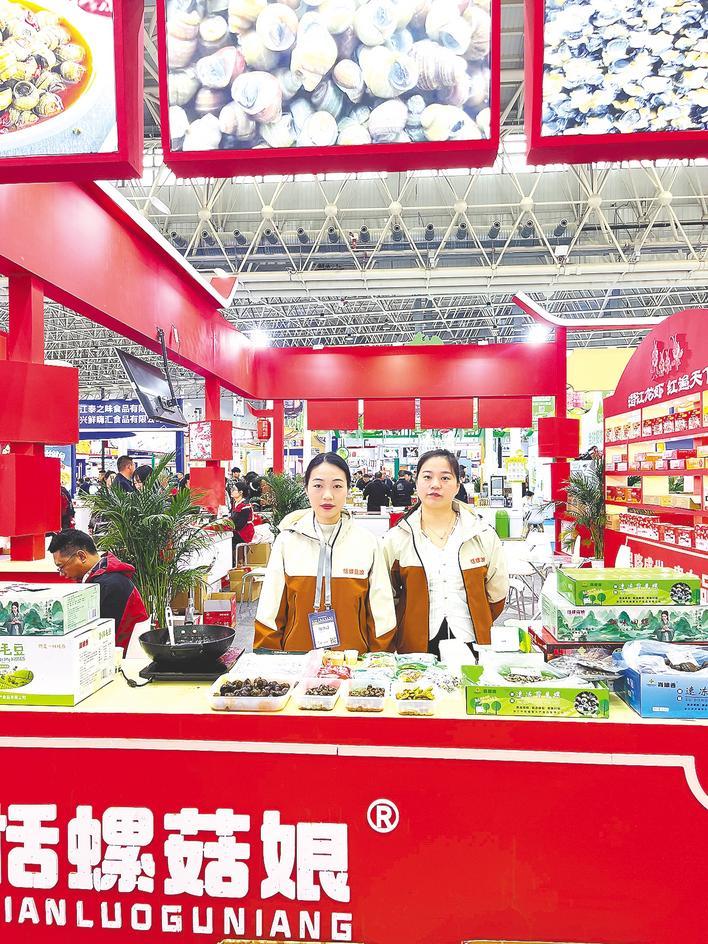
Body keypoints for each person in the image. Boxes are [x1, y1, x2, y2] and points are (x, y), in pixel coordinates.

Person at [254, 453, 396, 653]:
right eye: (318, 485)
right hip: (297, 661)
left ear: (348, 489)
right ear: (306, 489)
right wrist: (267, 658)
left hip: (353, 663)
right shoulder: (287, 541)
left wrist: (379, 661)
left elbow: (382, 611)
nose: (327, 495)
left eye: (337, 486)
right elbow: (270, 607)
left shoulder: (367, 543)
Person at [383, 449, 508, 657]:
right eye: (427, 477)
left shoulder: (481, 534)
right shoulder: (397, 538)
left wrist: (481, 619)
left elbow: (497, 592)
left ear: (458, 485)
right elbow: (387, 596)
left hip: (472, 640)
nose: (435, 484)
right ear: (416, 483)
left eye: (445, 478)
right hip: (415, 648)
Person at [48, 530, 149, 652]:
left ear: (81, 556)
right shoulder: (104, 576)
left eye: (61, 567)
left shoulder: (108, 585)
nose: (61, 574)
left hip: (125, 655)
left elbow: (99, 636)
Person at [230, 478, 255, 565]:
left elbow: (240, 524)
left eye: (234, 489)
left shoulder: (245, 506)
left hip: (244, 532)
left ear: (240, 492)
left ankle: (235, 564)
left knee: (228, 540)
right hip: (237, 531)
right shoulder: (235, 503)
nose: (231, 491)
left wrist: (228, 526)